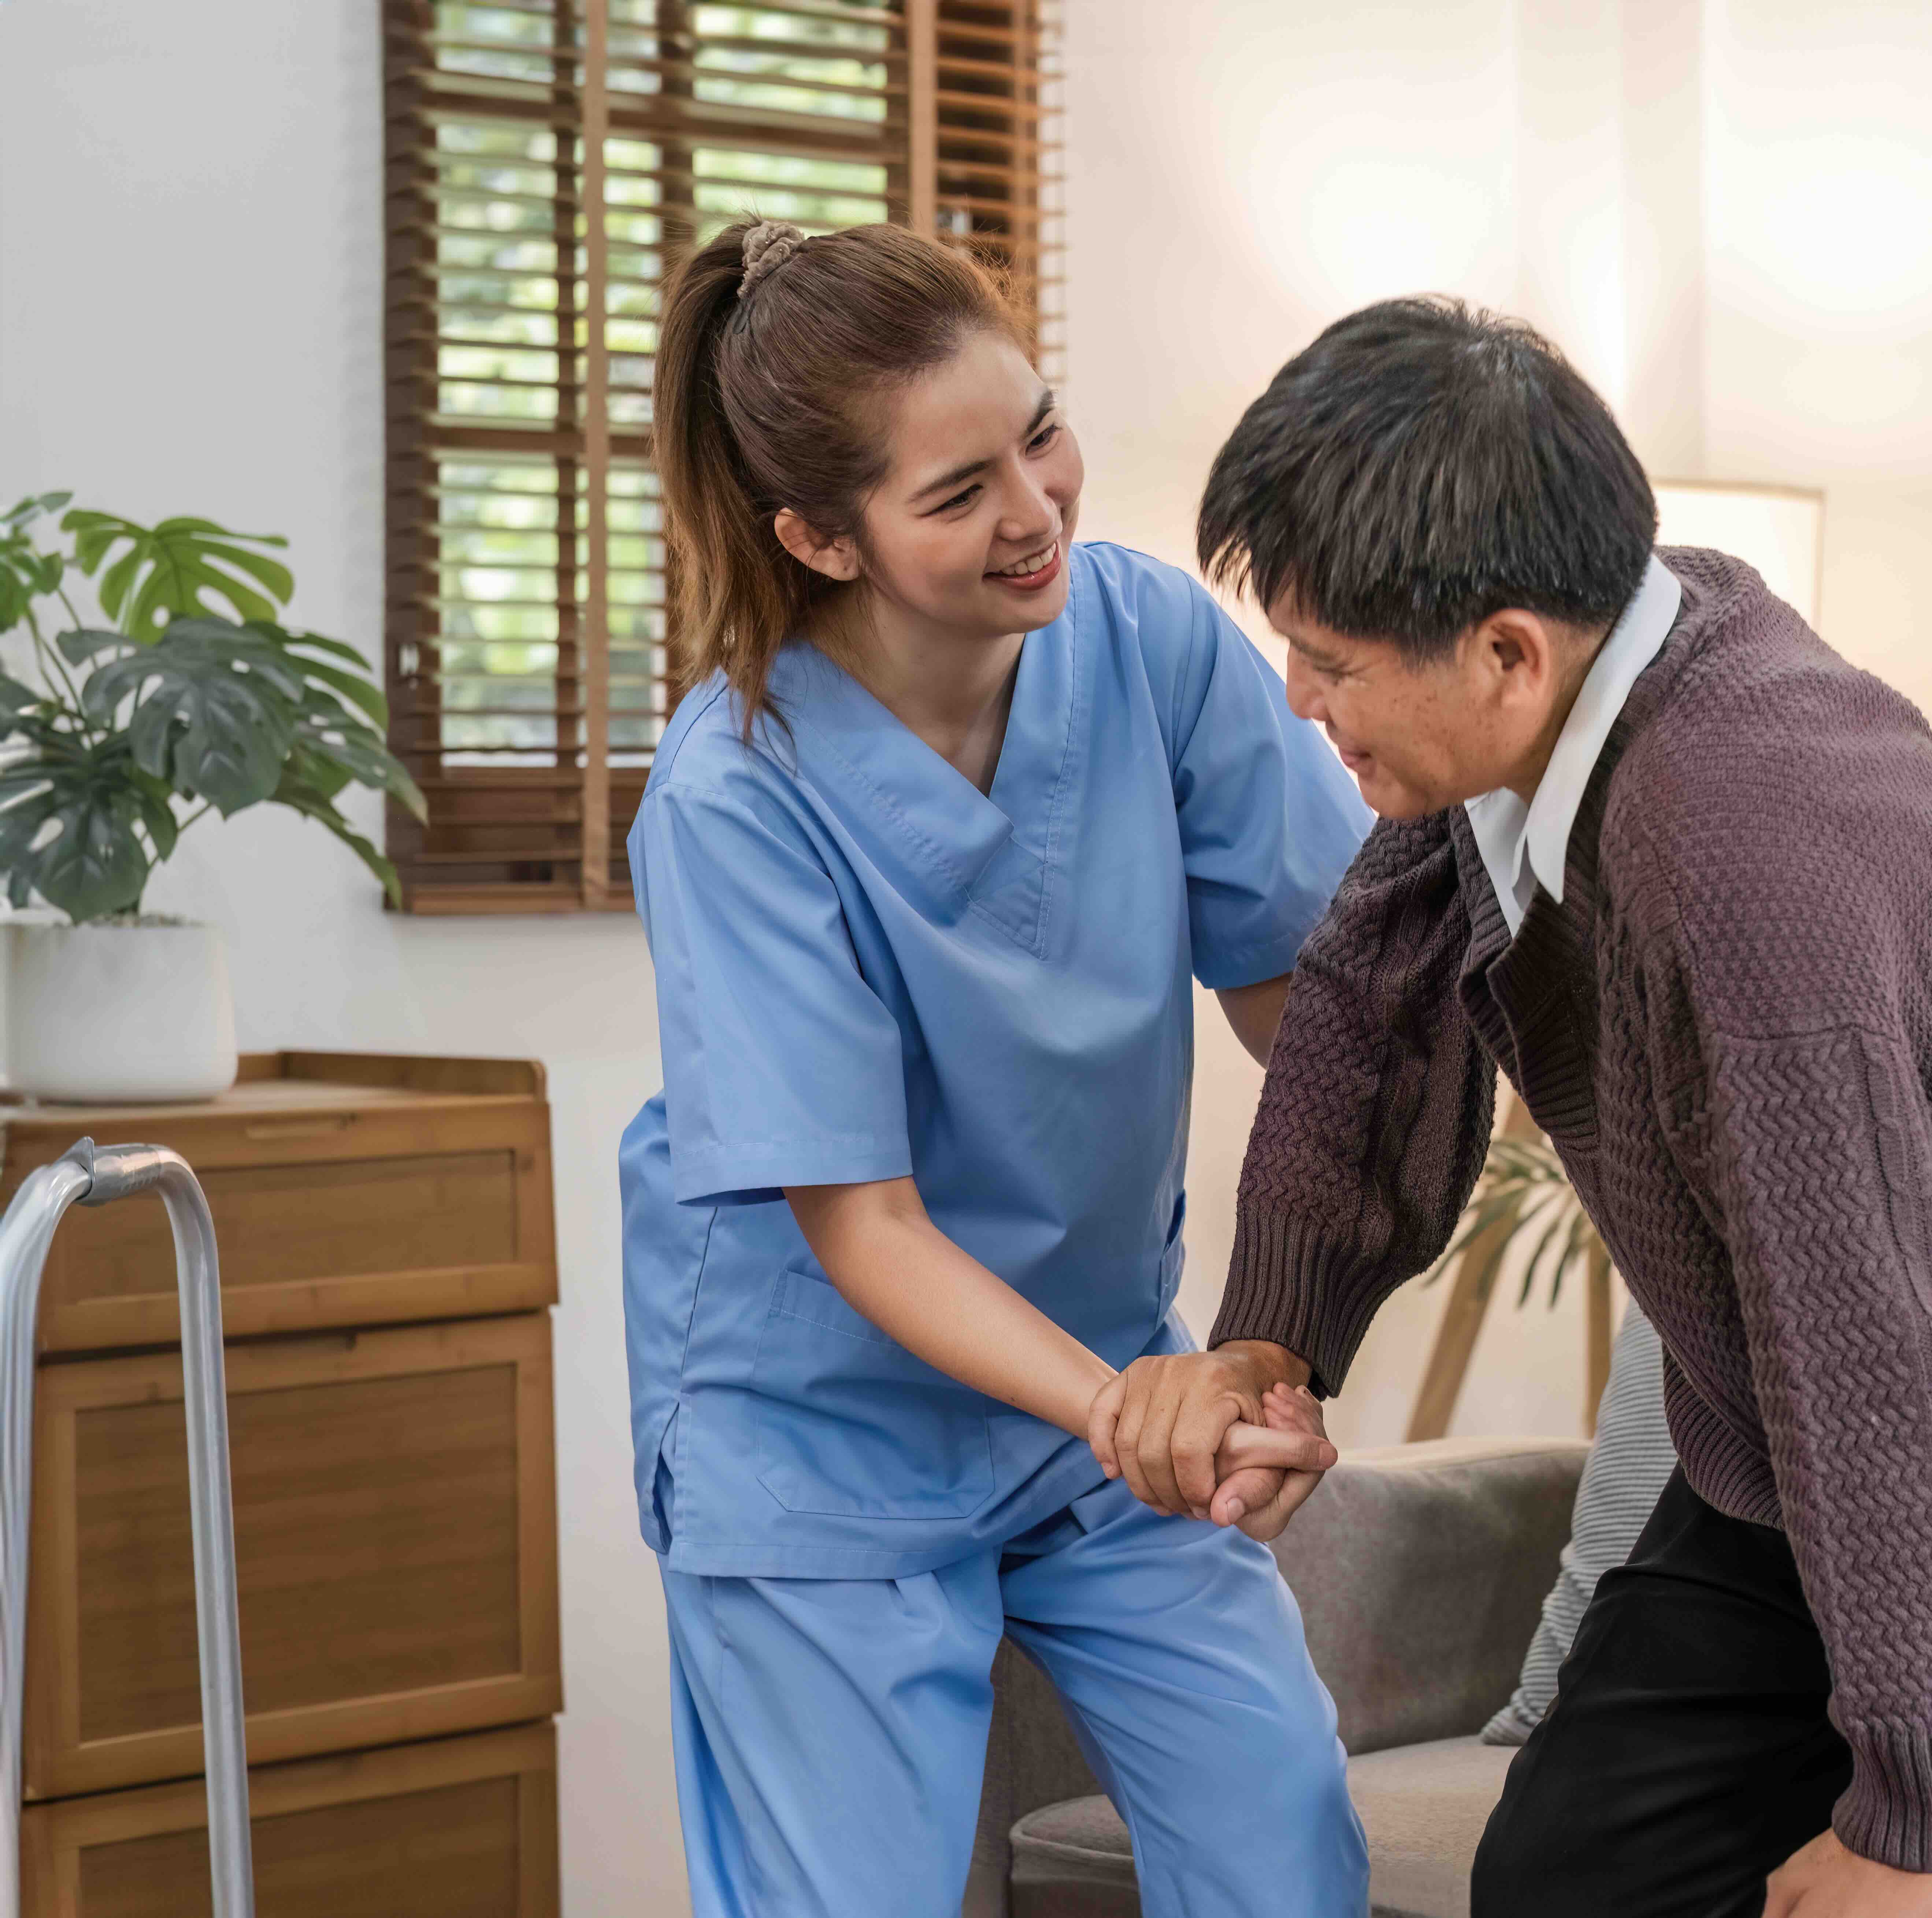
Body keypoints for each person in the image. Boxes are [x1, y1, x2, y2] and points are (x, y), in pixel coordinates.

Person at [1097, 297, 1932, 1918]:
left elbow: (1876, 1345)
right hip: (1805, 1433)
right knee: (1567, 1877)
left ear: (1506, 651)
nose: (1303, 698)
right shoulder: (1576, 681)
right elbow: (1376, 985)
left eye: (1330, 665)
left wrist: (1913, 1814)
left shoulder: (1744, 868)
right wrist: (1279, 1339)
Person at [616, 218, 1371, 1918]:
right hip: (823, 1439)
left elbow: (1312, 1012)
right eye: (956, 495)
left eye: (1038, 431)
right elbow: (862, 1224)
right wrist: (1128, 1410)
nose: (1034, 509)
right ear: (818, 534)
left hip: (1110, 1390)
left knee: (1284, 1837)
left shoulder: (1151, 645)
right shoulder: (739, 797)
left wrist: (1279, 1336)